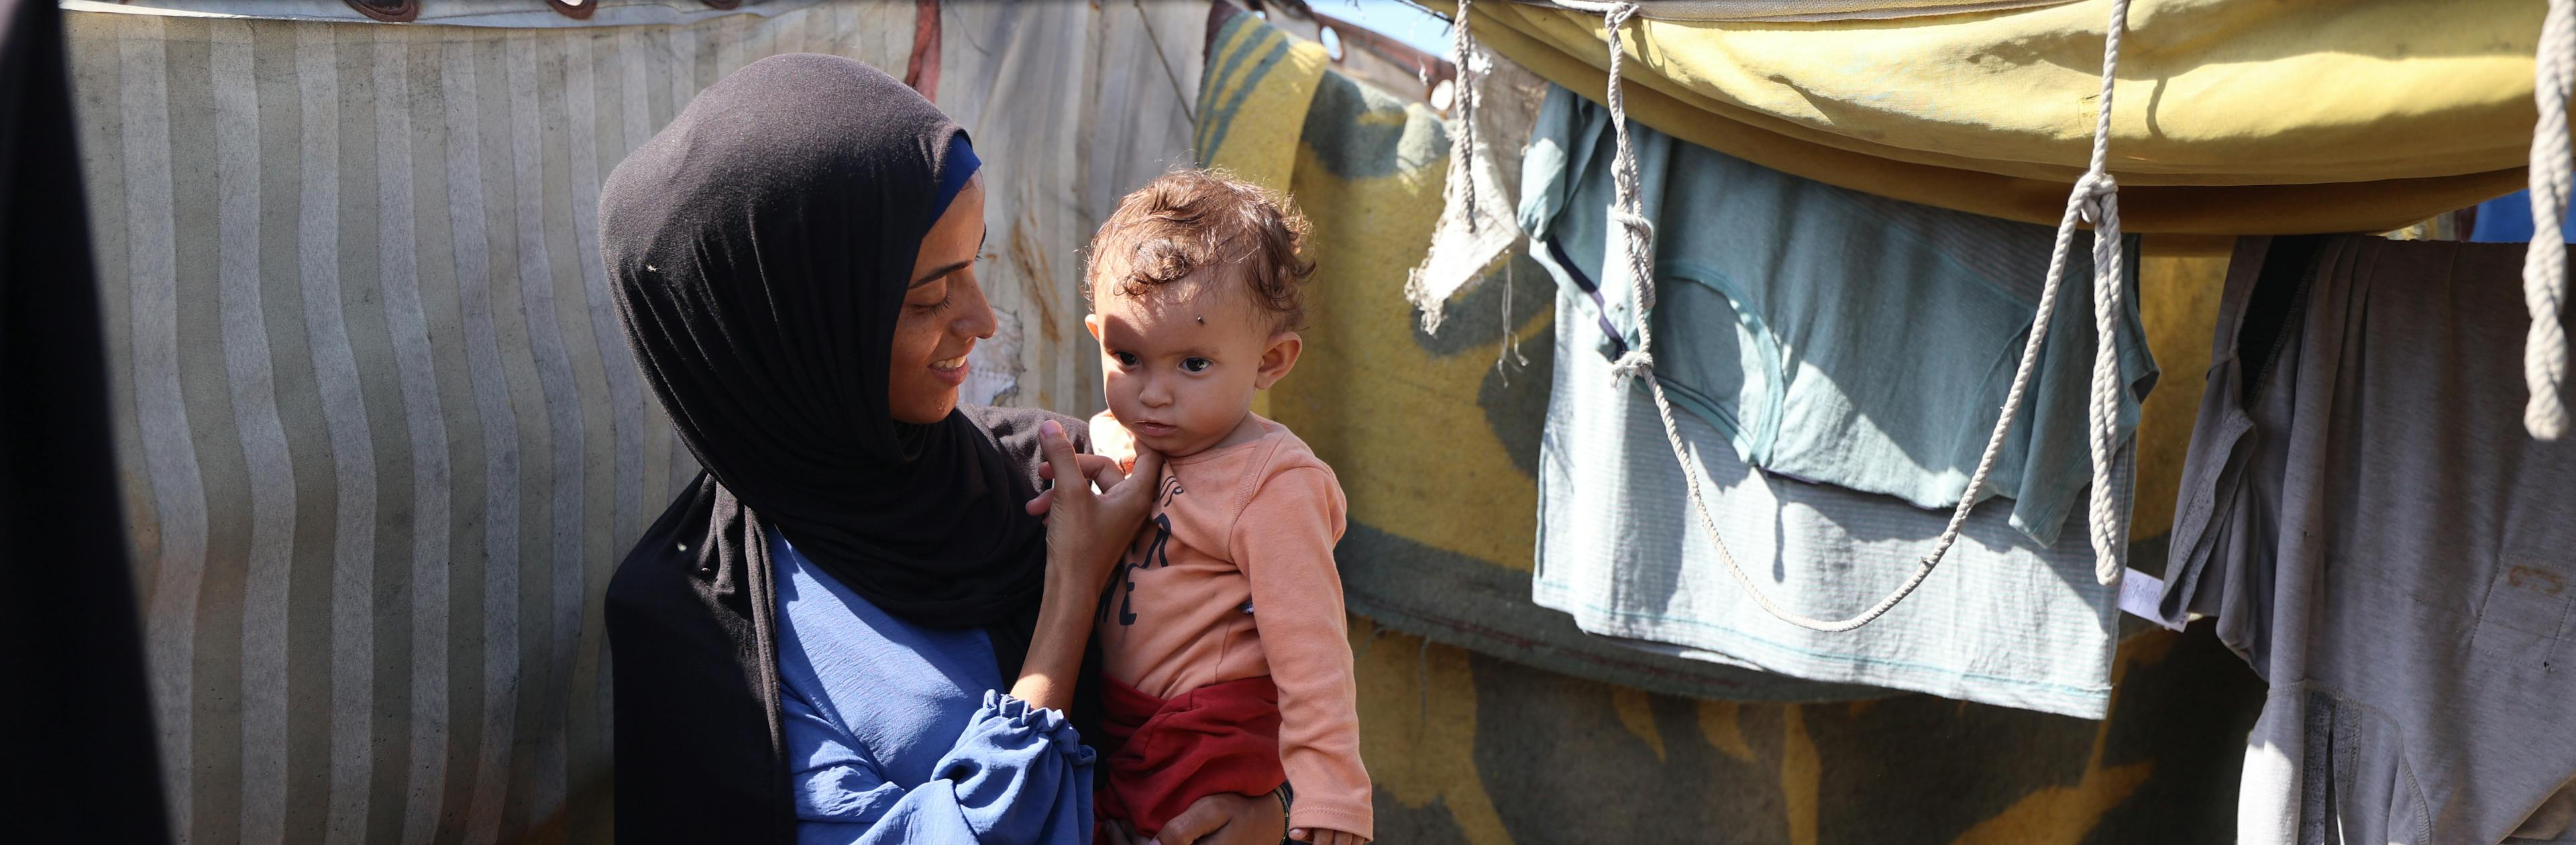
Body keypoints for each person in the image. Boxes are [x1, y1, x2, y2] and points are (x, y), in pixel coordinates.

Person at [598, 54, 1291, 844]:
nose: (984, 319)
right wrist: (1070, 597)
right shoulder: (701, 625)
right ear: (789, 329)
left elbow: (1238, 670)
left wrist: (1268, 809)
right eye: (929, 295)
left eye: (976, 264)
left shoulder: (1055, 469)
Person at [1081, 171, 1372, 845]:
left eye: (1192, 365)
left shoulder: (1273, 485)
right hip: (1122, 720)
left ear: (1270, 360)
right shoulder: (1118, 437)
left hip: (1206, 735)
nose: (1153, 394)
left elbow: (1312, 652)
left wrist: (1331, 794)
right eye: (1128, 356)